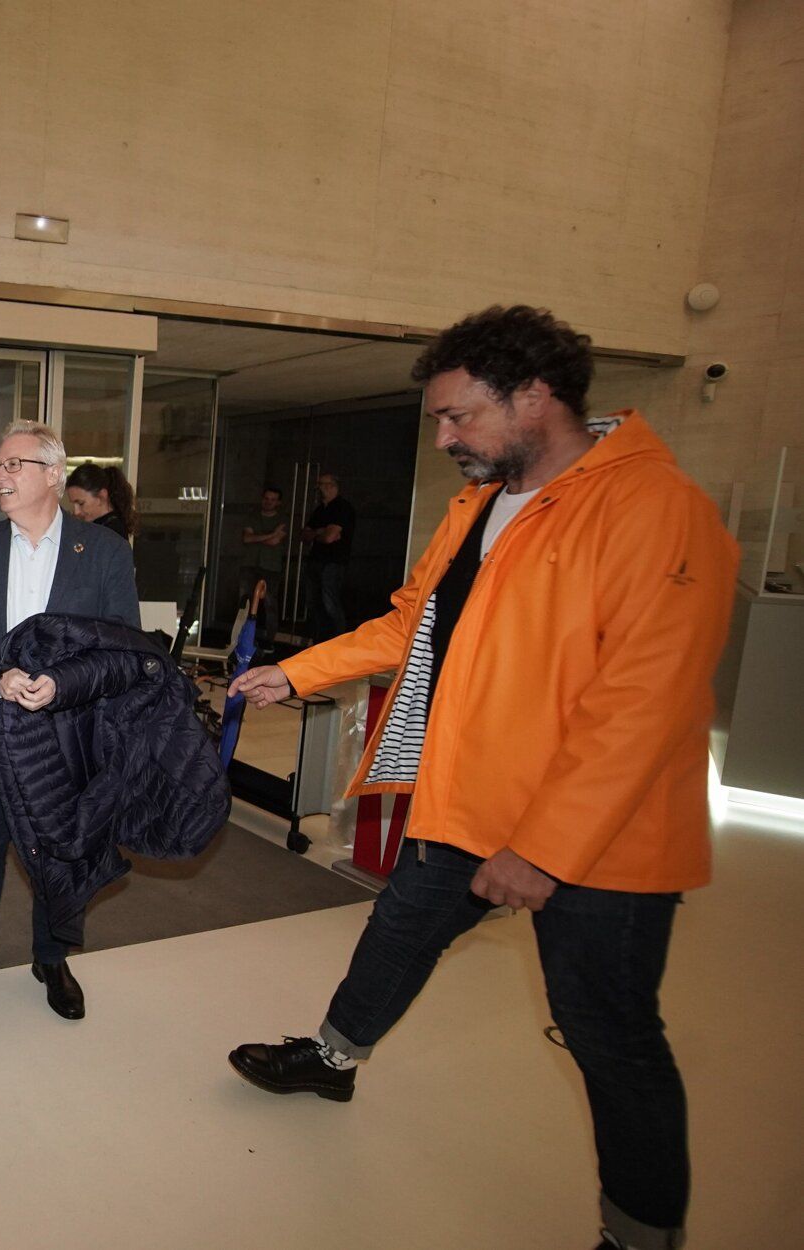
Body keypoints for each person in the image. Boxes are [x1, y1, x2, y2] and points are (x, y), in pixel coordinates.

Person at [226, 306, 736, 1250]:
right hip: (464, 801)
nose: (445, 437)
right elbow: (409, 627)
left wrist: (541, 848)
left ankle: (637, 1234)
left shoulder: (654, 510)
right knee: (396, 936)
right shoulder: (477, 509)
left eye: (458, 416)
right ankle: (333, 1059)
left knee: (607, 1037)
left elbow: (644, 705)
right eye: (439, 420)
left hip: (600, 837)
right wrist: (295, 673)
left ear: (534, 396)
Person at [0, 421, 138, 1019]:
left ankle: (52, 957)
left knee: (58, 849)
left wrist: (64, 682)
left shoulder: (103, 553)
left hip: (65, 730)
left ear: (53, 475)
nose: (0, 476)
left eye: (13, 465)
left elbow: (121, 645)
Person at [300, 471, 355, 640]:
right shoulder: (320, 509)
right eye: (319, 485)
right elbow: (304, 535)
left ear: (333, 486)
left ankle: (338, 640)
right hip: (316, 559)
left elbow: (330, 537)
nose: (321, 489)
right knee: (314, 602)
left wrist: (318, 533)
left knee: (329, 602)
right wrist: (320, 532)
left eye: (324, 485)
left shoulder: (342, 507)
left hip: (333, 561)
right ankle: (319, 639)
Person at [239, 485, 287, 642]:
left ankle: (269, 639)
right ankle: (240, 637)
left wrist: (259, 537)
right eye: (266, 498)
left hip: (271, 567)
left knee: (270, 603)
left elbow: (274, 541)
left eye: (273, 500)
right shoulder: (252, 516)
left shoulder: (282, 519)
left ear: (278, 503)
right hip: (250, 564)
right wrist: (272, 533)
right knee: (245, 602)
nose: (268, 502)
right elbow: (247, 538)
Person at [64, 461, 136, 540]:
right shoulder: (100, 527)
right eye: (74, 504)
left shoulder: (111, 533)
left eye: (81, 504)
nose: (76, 512)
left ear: (102, 496)